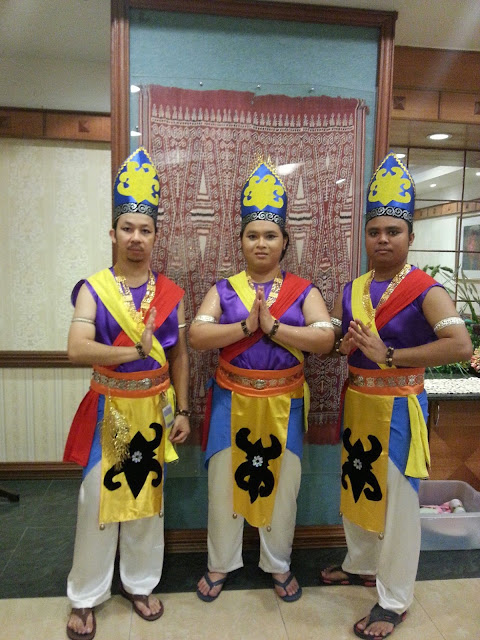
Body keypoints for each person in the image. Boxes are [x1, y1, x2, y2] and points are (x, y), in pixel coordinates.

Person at [320, 152, 472, 639]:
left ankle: (394, 599)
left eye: (393, 231)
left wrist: (391, 355)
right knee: (358, 487)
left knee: (400, 506)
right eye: (374, 231)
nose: (383, 239)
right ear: (365, 236)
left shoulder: (427, 290)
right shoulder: (352, 289)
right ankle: (361, 563)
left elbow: (460, 345)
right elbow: (340, 341)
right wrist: (344, 347)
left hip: (400, 408)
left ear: (410, 235)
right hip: (358, 404)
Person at [190, 159, 335, 603]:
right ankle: (220, 562)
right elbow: (197, 336)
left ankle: (278, 563)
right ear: (241, 240)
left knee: (284, 486)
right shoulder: (224, 289)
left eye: (270, 235)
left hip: (284, 403)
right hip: (229, 401)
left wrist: (273, 328)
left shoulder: (304, 290)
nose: (260, 243)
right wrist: (244, 328)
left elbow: (325, 340)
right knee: (223, 485)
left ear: (284, 241)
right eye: (252, 235)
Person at [64, 147, 190, 640]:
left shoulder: (171, 293)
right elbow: (77, 348)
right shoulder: (93, 289)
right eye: (127, 228)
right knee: (96, 499)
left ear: (156, 235)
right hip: (109, 407)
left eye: (145, 229)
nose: (136, 237)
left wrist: (183, 409)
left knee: (147, 496)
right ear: (113, 233)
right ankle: (86, 595)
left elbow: (179, 355)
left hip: (154, 408)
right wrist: (132, 351)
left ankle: (139, 583)